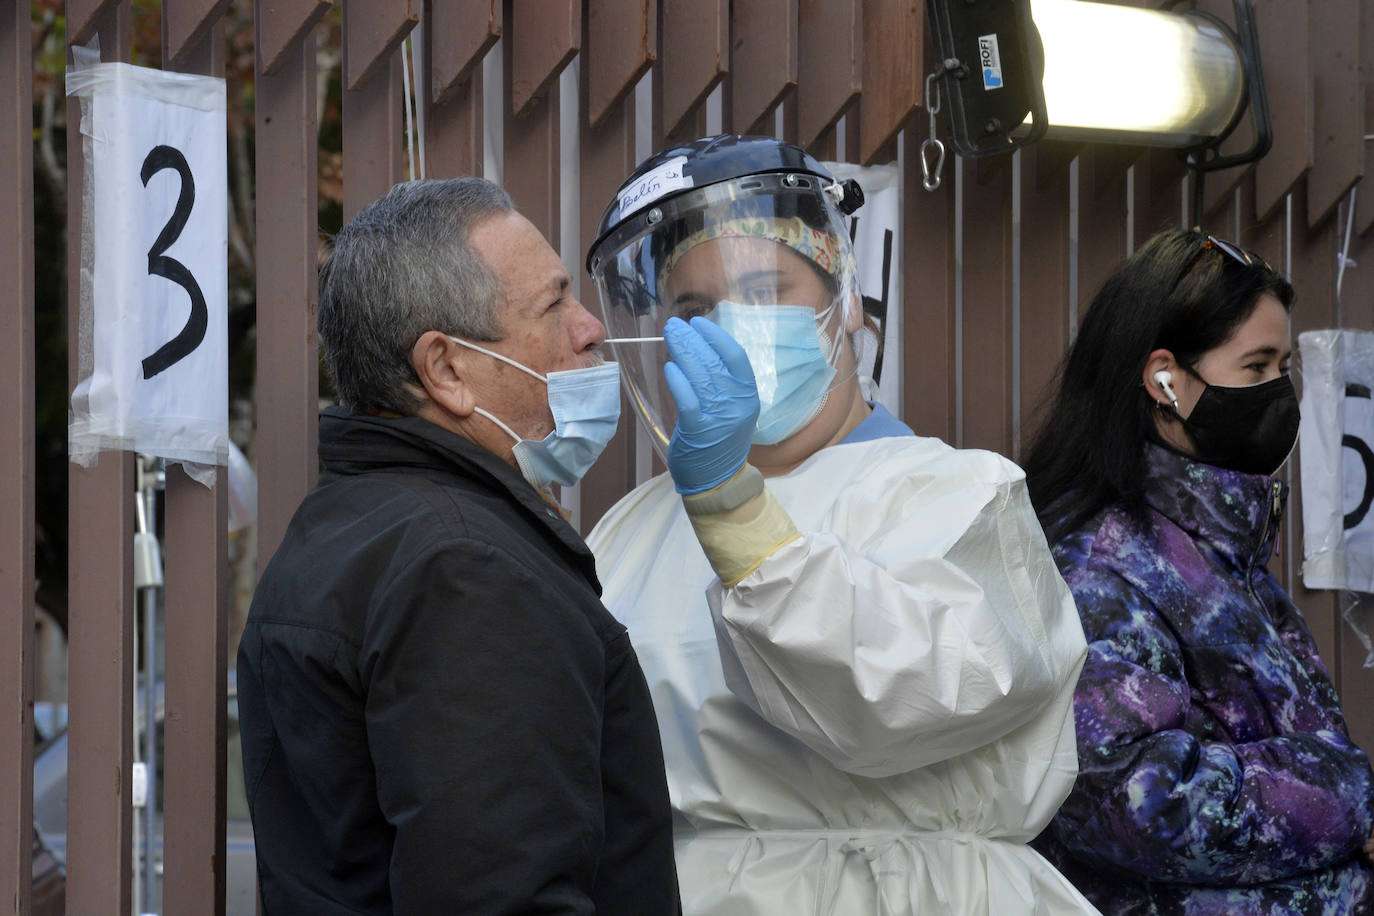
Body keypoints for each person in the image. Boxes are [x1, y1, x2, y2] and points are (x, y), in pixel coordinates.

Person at [583, 134, 1097, 913]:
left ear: (847, 299)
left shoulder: (956, 493)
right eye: (693, 309)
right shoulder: (629, 532)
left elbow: (905, 697)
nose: (728, 324)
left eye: (763, 289)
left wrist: (730, 506)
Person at [236, 178, 679, 914]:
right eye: (553, 304)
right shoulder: (466, 569)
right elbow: (499, 892)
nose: (590, 328)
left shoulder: (351, 524)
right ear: (446, 370)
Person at [1023, 228, 1374, 913]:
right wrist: (1349, 796)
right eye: (1257, 366)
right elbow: (1135, 800)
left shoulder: (1228, 553)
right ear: (1164, 380)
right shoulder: (1098, 569)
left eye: (1285, 367)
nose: (1281, 393)